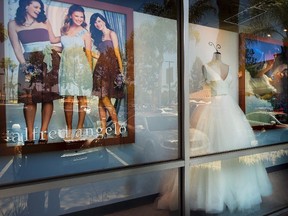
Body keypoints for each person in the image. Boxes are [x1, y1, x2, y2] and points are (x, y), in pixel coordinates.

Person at [157, 51, 272, 213]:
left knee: (231, 151)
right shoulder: (207, 66)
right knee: (209, 150)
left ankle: (232, 192)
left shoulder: (228, 68)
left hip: (228, 112)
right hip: (212, 110)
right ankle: (212, 195)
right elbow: (206, 92)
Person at [8, 0, 61, 145]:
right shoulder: (13, 24)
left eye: (40, 8)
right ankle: (30, 135)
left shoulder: (45, 21)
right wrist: (24, 65)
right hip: (28, 61)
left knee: (47, 98)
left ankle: (43, 134)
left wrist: (69, 37)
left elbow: (53, 40)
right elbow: (17, 48)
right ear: (26, 6)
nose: (39, 10)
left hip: (48, 60)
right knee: (29, 99)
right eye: (36, 7)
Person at [59, 4, 93, 141]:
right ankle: (69, 128)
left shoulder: (86, 33)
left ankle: (80, 127)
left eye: (82, 16)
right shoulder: (64, 30)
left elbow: (89, 54)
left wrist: (89, 73)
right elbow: (63, 50)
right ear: (71, 15)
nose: (79, 18)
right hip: (67, 67)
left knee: (82, 99)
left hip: (81, 67)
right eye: (77, 15)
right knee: (68, 100)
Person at [89, 13, 125, 138]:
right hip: (99, 69)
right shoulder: (99, 37)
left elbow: (117, 52)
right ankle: (103, 130)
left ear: (104, 20)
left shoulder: (112, 33)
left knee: (105, 98)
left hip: (110, 69)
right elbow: (100, 55)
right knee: (100, 100)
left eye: (99, 21)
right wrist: (90, 53)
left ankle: (116, 125)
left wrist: (121, 70)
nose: (98, 24)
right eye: (95, 22)